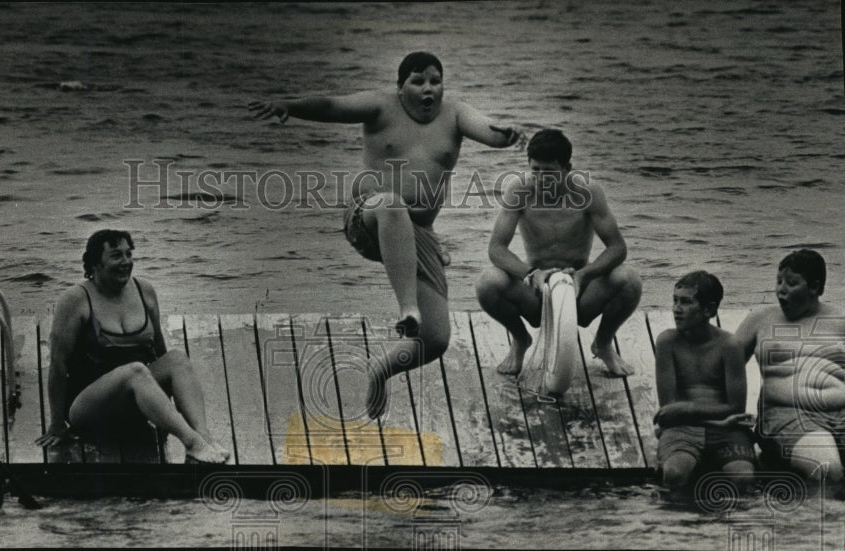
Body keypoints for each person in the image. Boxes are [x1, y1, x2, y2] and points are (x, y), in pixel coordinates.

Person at [249, 51, 523, 418]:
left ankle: (380, 371)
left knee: (436, 339)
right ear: (400, 87)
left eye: (435, 81)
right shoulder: (380, 106)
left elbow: (488, 129)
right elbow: (333, 106)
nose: (428, 89)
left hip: (418, 231)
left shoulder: (455, 113)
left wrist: (508, 136)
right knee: (393, 204)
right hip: (369, 215)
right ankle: (407, 309)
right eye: (418, 81)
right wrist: (289, 106)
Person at [35, 230, 228, 464]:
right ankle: (192, 443)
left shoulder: (144, 290)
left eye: (129, 254)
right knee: (135, 370)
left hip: (132, 403)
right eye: (116, 256)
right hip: (87, 407)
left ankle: (203, 435)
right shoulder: (76, 299)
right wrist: (56, 424)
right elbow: (58, 364)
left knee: (177, 358)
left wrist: (164, 411)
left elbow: (159, 348)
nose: (126, 262)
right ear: (95, 263)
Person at [475, 129, 642, 378]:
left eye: (549, 172)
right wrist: (532, 274)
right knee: (487, 282)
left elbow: (618, 248)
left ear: (567, 168)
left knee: (629, 279)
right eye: (536, 171)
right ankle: (521, 340)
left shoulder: (588, 192)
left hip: (579, 291)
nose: (541, 179)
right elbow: (496, 249)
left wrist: (585, 275)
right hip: (536, 291)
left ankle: (603, 343)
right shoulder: (519, 190)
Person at [734, 249, 845, 489]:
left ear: (814, 288)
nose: (781, 290)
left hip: (840, 413)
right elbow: (723, 370)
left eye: (791, 283)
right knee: (827, 469)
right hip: (785, 415)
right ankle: (816, 524)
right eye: (778, 281)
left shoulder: (840, 320)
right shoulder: (761, 319)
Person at [654, 271, 755, 496]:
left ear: (708, 309)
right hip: (685, 429)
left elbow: (736, 407)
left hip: (726, 431)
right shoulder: (667, 342)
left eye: (686, 302)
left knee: (743, 477)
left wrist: (686, 408)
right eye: (675, 300)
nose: (676, 309)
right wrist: (717, 418)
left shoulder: (730, 345)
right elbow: (669, 410)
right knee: (674, 474)